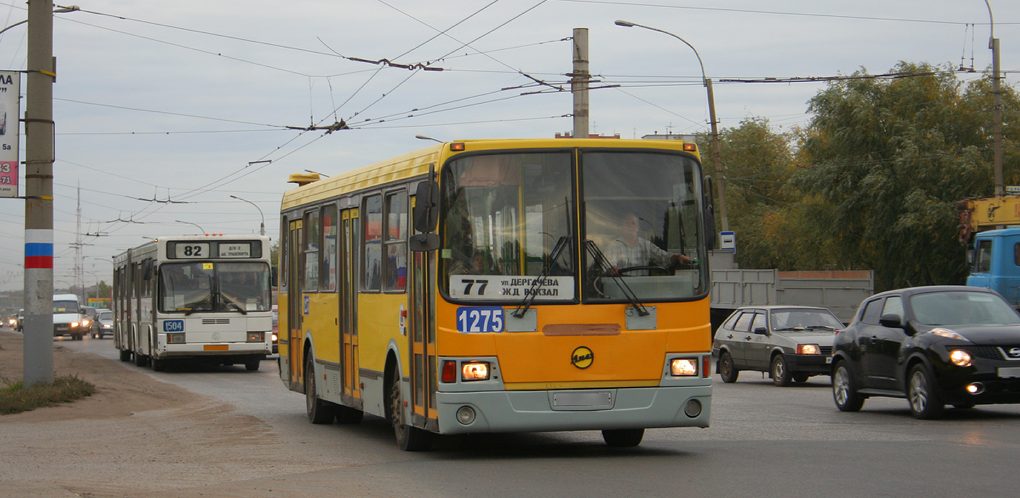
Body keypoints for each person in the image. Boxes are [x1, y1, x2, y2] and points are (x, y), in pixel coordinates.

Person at [603, 213, 689, 276]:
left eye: (633, 223)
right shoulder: (613, 246)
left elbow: (664, 258)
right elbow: (608, 267)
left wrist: (678, 257)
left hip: (643, 293)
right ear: (621, 227)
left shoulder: (646, 246)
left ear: (638, 227)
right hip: (621, 294)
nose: (630, 226)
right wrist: (612, 270)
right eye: (627, 224)